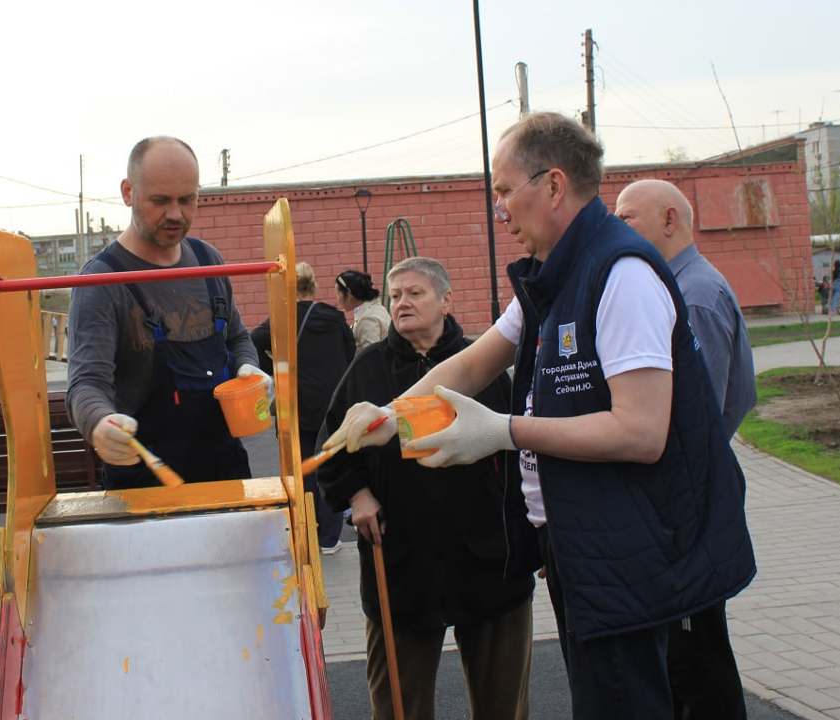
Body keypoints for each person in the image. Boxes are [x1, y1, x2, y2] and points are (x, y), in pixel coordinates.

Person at [325, 112, 755, 720]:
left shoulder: (621, 275)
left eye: (504, 191)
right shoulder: (554, 278)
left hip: (632, 549)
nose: (499, 210)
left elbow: (641, 431)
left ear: (553, 186)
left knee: (627, 702)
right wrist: (391, 414)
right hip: (582, 542)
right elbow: (474, 364)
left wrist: (502, 432)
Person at [318, 256, 533, 720]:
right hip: (401, 562)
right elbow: (331, 449)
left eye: (415, 293)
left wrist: (532, 538)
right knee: (398, 706)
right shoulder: (366, 369)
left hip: (488, 561)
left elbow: (523, 454)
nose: (402, 304)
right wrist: (357, 497)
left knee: (504, 705)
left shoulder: (483, 363)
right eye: (395, 296)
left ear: (446, 300)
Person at [615, 178, 757, 720]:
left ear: (669, 220)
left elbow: (695, 416)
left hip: (685, 501)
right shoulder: (679, 287)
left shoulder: (693, 294)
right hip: (685, 494)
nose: (616, 226)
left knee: (696, 660)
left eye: (627, 217)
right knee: (686, 655)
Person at [66, 136, 271, 489]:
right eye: (160, 201)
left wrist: (248, 367)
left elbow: (236, 338)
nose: (176, 214)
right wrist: (99, 423)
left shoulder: (208, 261)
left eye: (187, 200)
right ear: (128, 192)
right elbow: (85, 384)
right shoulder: (101, 282)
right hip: (145, 483)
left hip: (226, 471)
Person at [250, 262, 354, 554]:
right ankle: (330, 539)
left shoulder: (281, 320)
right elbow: (349, 355)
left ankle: (307, 534)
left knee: (304, 471)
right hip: (333, 404)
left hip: (298, 407)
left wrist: (276, 368)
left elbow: (250, 342)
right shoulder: (335, 318)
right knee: (331, 467)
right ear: (314, 286)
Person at [336, 269, 391, 354]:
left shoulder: (367, 318)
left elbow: (372, 357)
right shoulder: (376, 309)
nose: (337, 298)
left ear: (349, 294)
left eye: (338, 293)